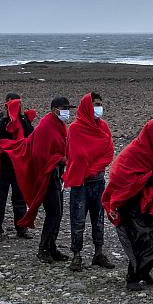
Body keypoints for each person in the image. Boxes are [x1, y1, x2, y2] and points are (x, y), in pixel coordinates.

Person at [102, 118, 153, 291]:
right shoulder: (134, 153)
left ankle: (144, 270)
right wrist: (150, 176)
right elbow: (120, 177)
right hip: (131, 203)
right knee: (139, 241)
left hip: (149, 202)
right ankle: (132, 277)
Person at [0, 97, 70, 264]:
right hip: (46, 176)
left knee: (57, 213)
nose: (67, 111)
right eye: (63, 107)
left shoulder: (58, 125)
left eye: (68, 107)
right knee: (54, 213)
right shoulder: (47, 126)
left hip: (55, 175)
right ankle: (43, 248)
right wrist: (60, 159)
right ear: (54, 109)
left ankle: (51, 247)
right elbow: (40, 154)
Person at [64, 92, 116, 272]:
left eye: (100, 104)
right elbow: (76, 155)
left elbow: (109, 152)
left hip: (97, 180)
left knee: (98, 218)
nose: (98, 108)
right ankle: (76, 255)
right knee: (78, 220)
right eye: (95, 104)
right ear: (87, 105)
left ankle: (98, 253)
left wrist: (92, 169)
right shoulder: (75, 128)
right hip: (80, 183)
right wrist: (89, 167)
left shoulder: (103, 127)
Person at [0, 93, 36, 240]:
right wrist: (6, 119)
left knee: (19, 198)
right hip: (2, 164)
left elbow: (30, 136)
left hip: (18, 165)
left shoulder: (23, 120)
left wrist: (21, 119)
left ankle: (21, 228)